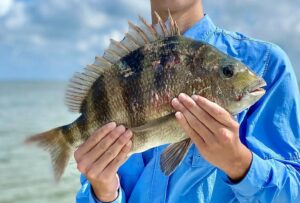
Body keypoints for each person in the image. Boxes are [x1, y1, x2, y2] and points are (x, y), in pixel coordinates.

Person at [75, 0, 300, 202]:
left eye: (227, 73)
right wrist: (103, 192)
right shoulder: (121, 70)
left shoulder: (268, 65)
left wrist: (238, 162)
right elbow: (94, 191)